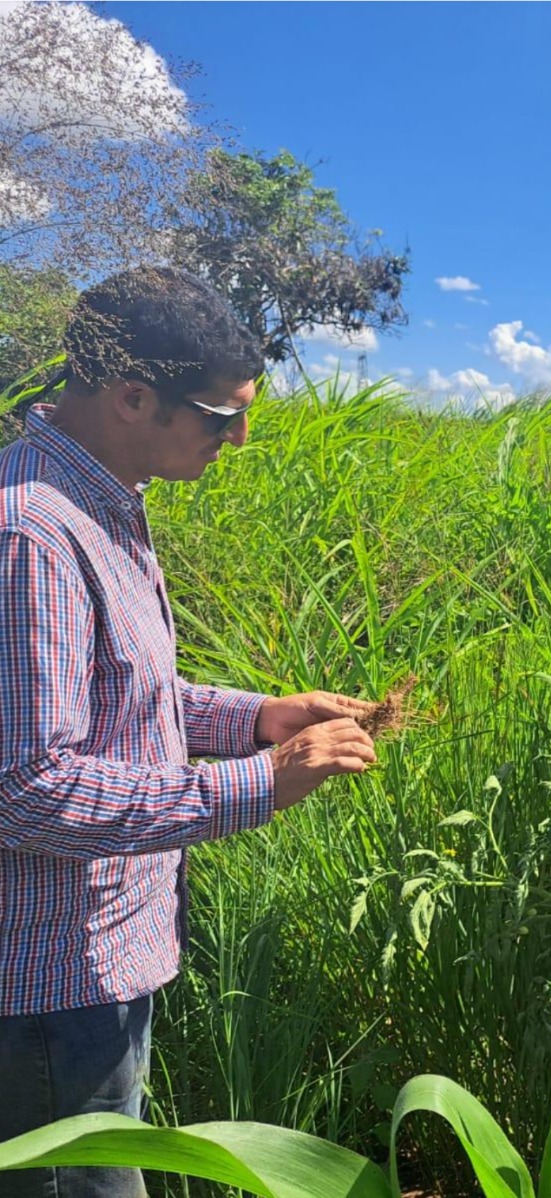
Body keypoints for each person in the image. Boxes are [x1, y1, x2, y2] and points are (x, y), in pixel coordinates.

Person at [0, 266, 377, 1198]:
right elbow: (29, 788)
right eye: (220, 416)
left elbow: (127, 693)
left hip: (105, 961)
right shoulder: (32, 535)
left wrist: (256, 717)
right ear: (133, 398)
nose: (239, 438)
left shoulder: (103, 498)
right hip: (54, 988)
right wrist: (260, 781)